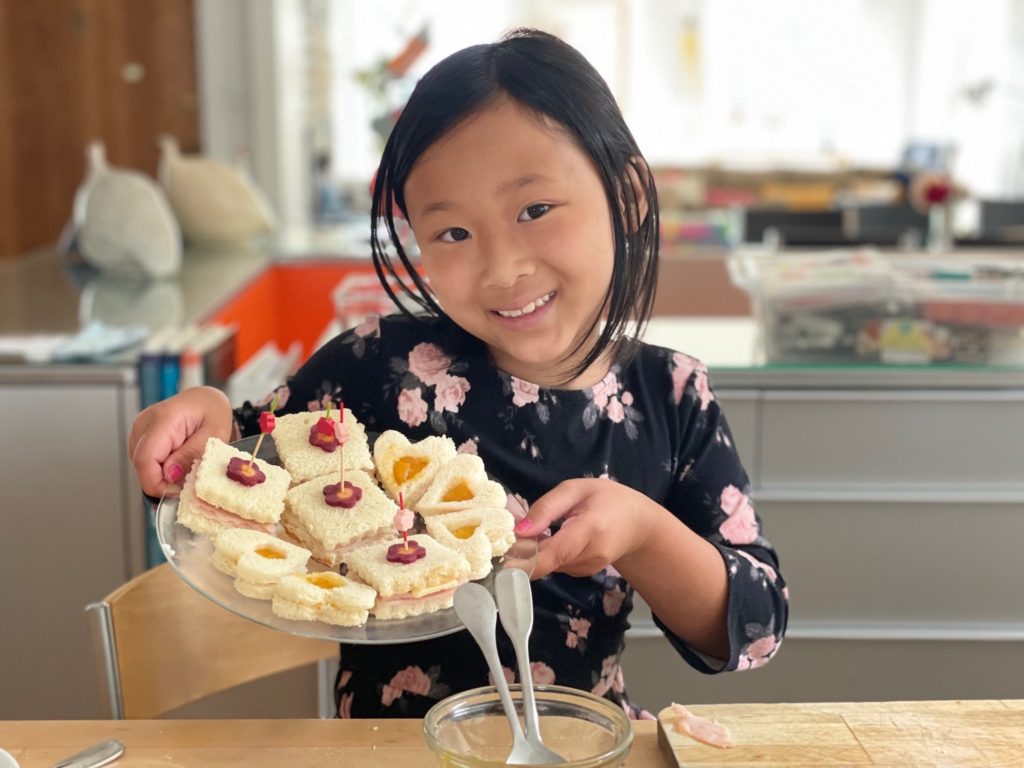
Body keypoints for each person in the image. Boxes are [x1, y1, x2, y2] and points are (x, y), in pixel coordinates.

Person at [129, 28, 788, 719]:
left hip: (574, 744)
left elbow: (754, 627)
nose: (503, 269)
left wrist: (644, 533)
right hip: (386, 751)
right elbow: (227, 471)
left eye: (535, 211)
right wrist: (196, 418)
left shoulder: (672, 397)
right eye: (453, 234)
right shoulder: (375, 367)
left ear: (626, 197)